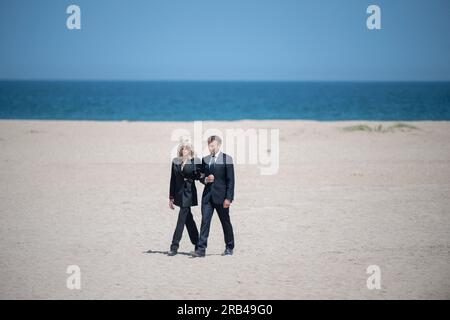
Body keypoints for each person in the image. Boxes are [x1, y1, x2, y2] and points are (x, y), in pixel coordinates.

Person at [193, 135, 235, 257]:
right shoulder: (205, 159)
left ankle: (229, 247)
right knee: (205, 222)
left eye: (213, 145)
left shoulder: (227, 159)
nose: (211, 148)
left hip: (222, 198)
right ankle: (201, 249)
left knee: (225, 222)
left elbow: (231, 181)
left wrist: (229, 198)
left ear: (219, 145)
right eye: (209, 145)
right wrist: (205, 179)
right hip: (207, 197)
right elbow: (199, 176)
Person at [168, 141, 202, 256]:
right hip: (179, 193)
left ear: (190, 150)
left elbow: (200, 176)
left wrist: (206, 179)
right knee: (188, 220)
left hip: (189, 194)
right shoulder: (175, 162)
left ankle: (174, 246)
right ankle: (198, 243)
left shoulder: (195, 161)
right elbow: (172, 180)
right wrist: (171, 197)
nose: (184, 150)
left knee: (181, 219)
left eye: (186, 148)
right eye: (182, 148)